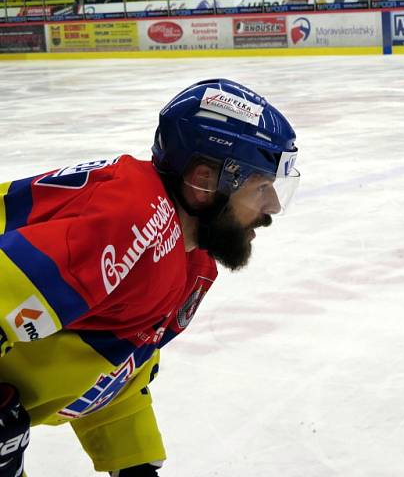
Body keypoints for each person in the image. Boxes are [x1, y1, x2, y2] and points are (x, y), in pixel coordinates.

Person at [0, 79, 300, 476]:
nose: (273, 207)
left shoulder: (190, 263)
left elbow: (109, 364)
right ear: (206, 182)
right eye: (261, 186)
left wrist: (134, 464)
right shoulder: (133, 221)